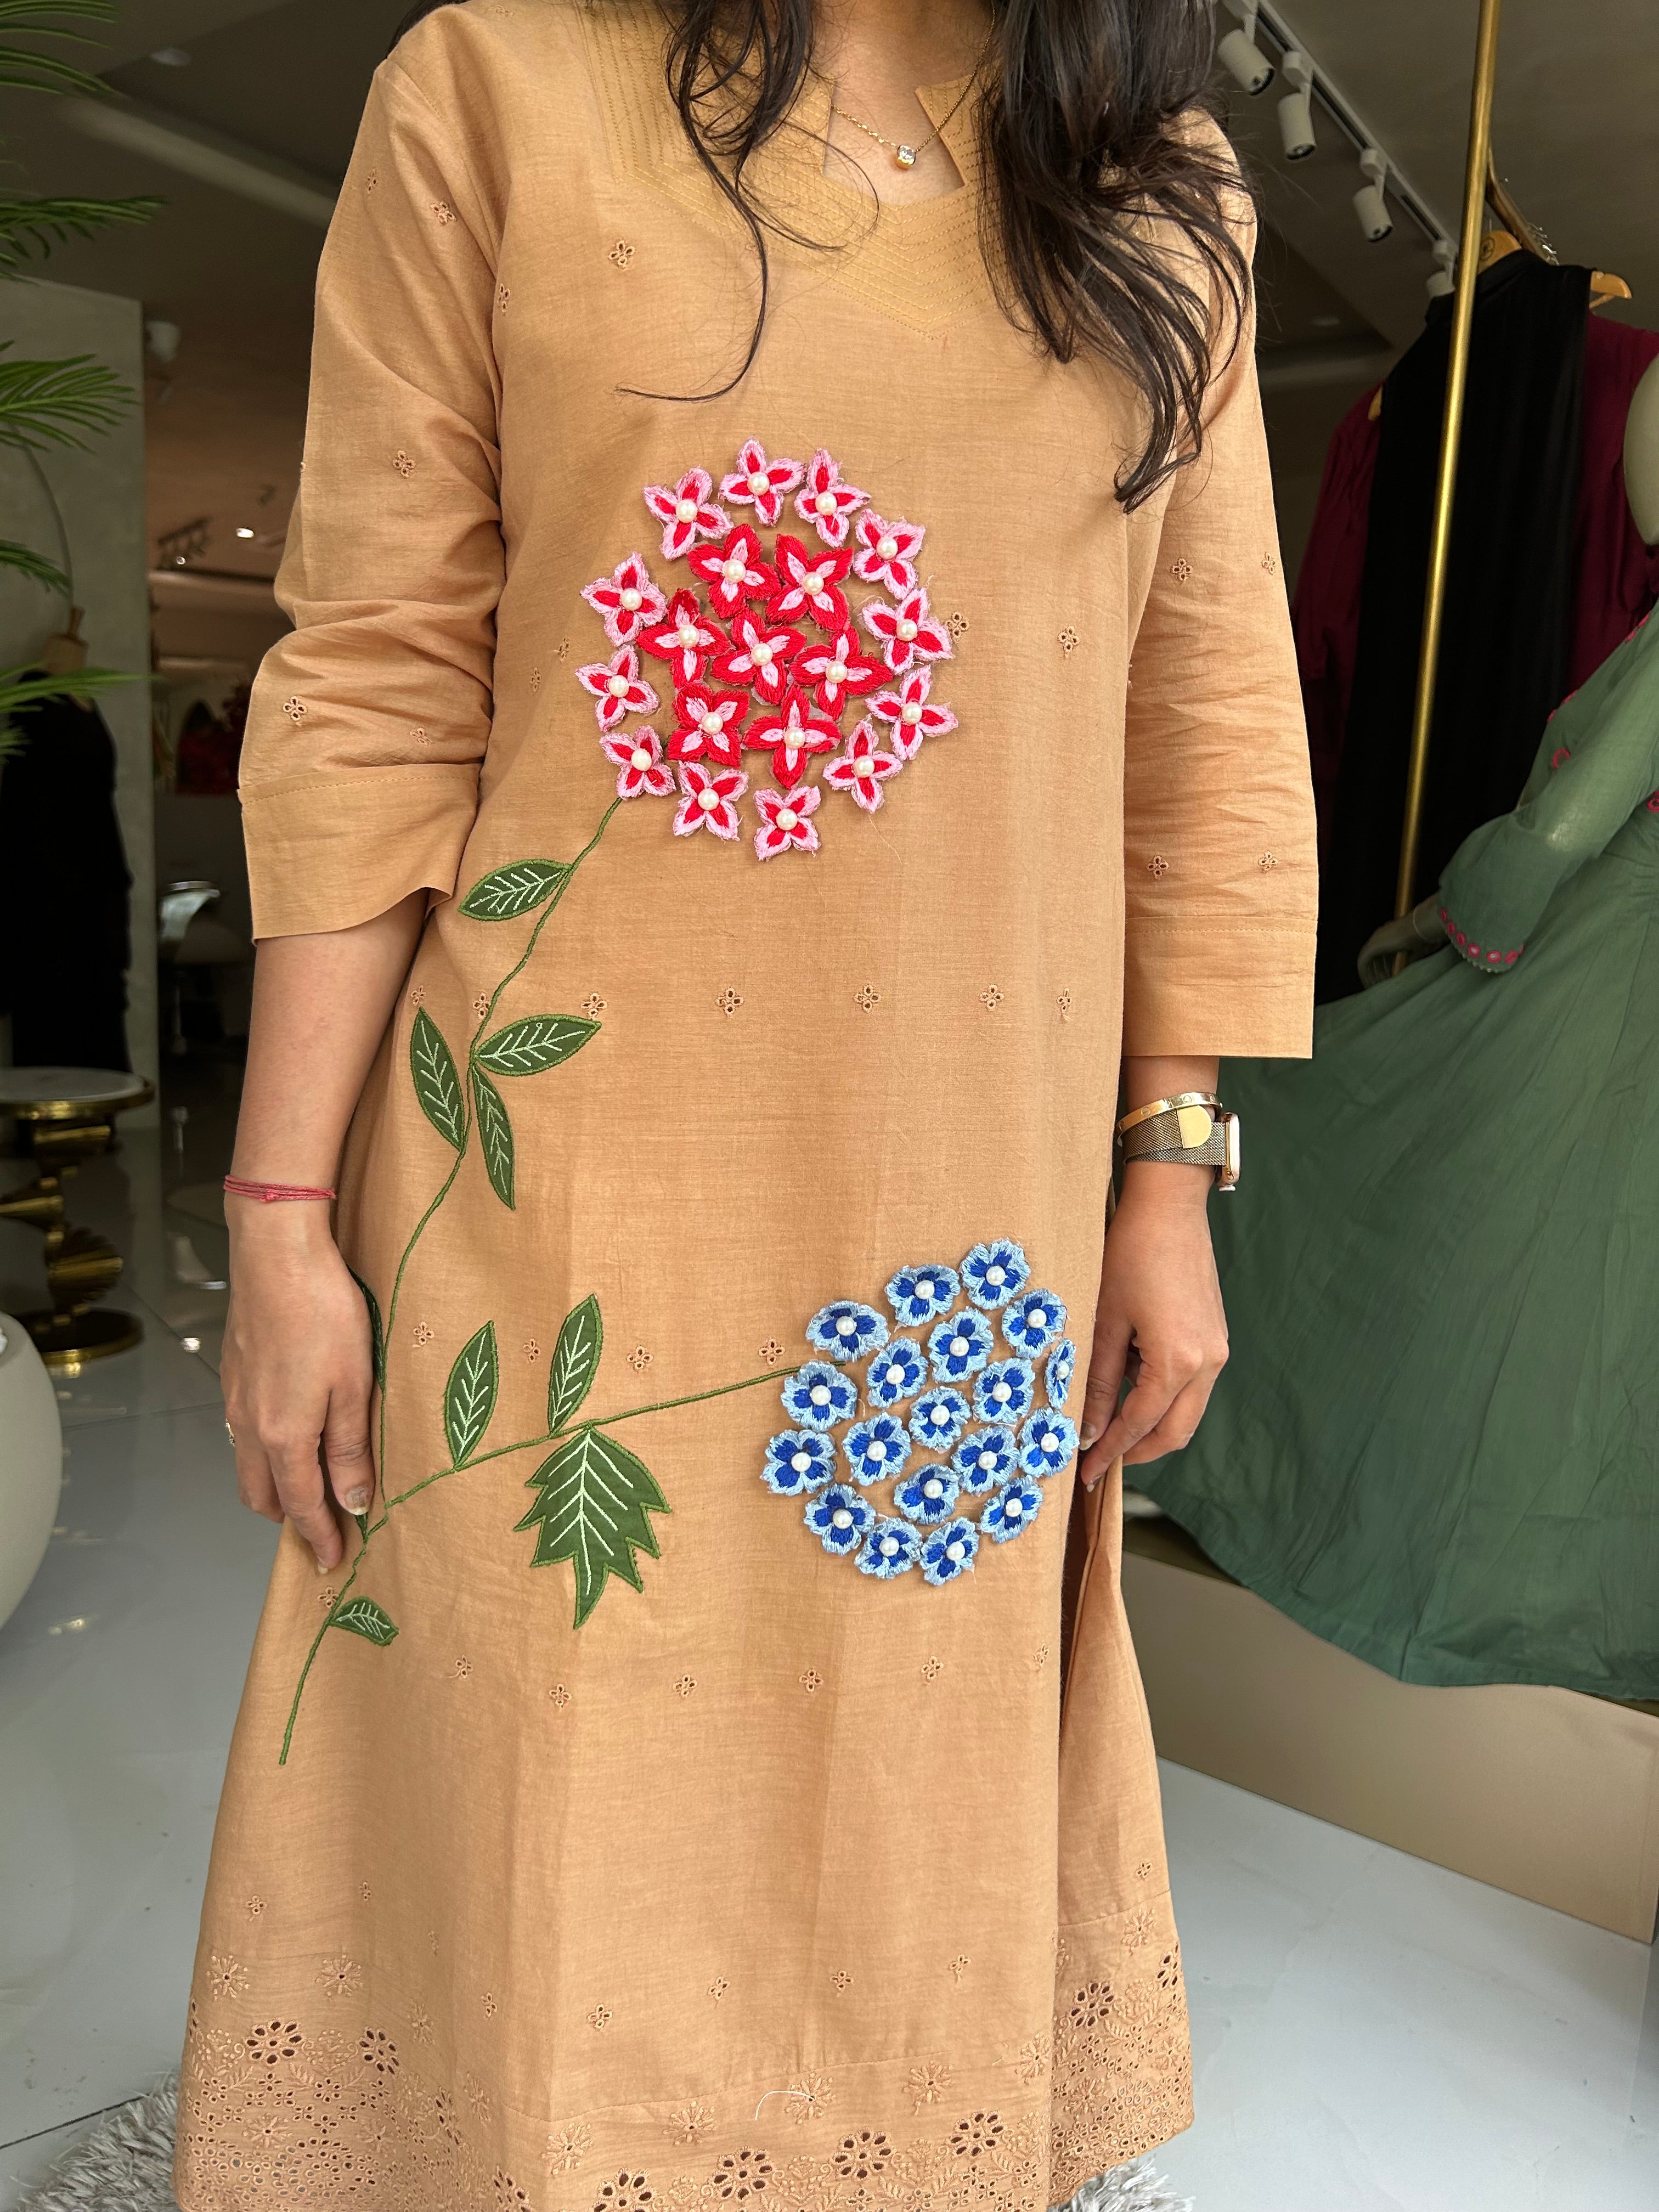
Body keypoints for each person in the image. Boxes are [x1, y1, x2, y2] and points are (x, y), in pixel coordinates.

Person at [174, 4, 1315, 2208]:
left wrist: (1170, 1170)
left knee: (897, 1792)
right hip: (556, 1192)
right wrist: (283, 1209)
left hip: (958, 1229)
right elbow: (380, 670)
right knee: (544, 1787)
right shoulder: (496, 87)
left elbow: (1205, 712)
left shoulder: (1154, 176)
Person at [1140, 610, 1659, 1702]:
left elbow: (1560, 833)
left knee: (1319, 1145)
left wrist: (1445, 922)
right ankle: (1522, 1593)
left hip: (1592, 978)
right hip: (1619, 999)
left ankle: (1195, 1447)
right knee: (1588, 1304)